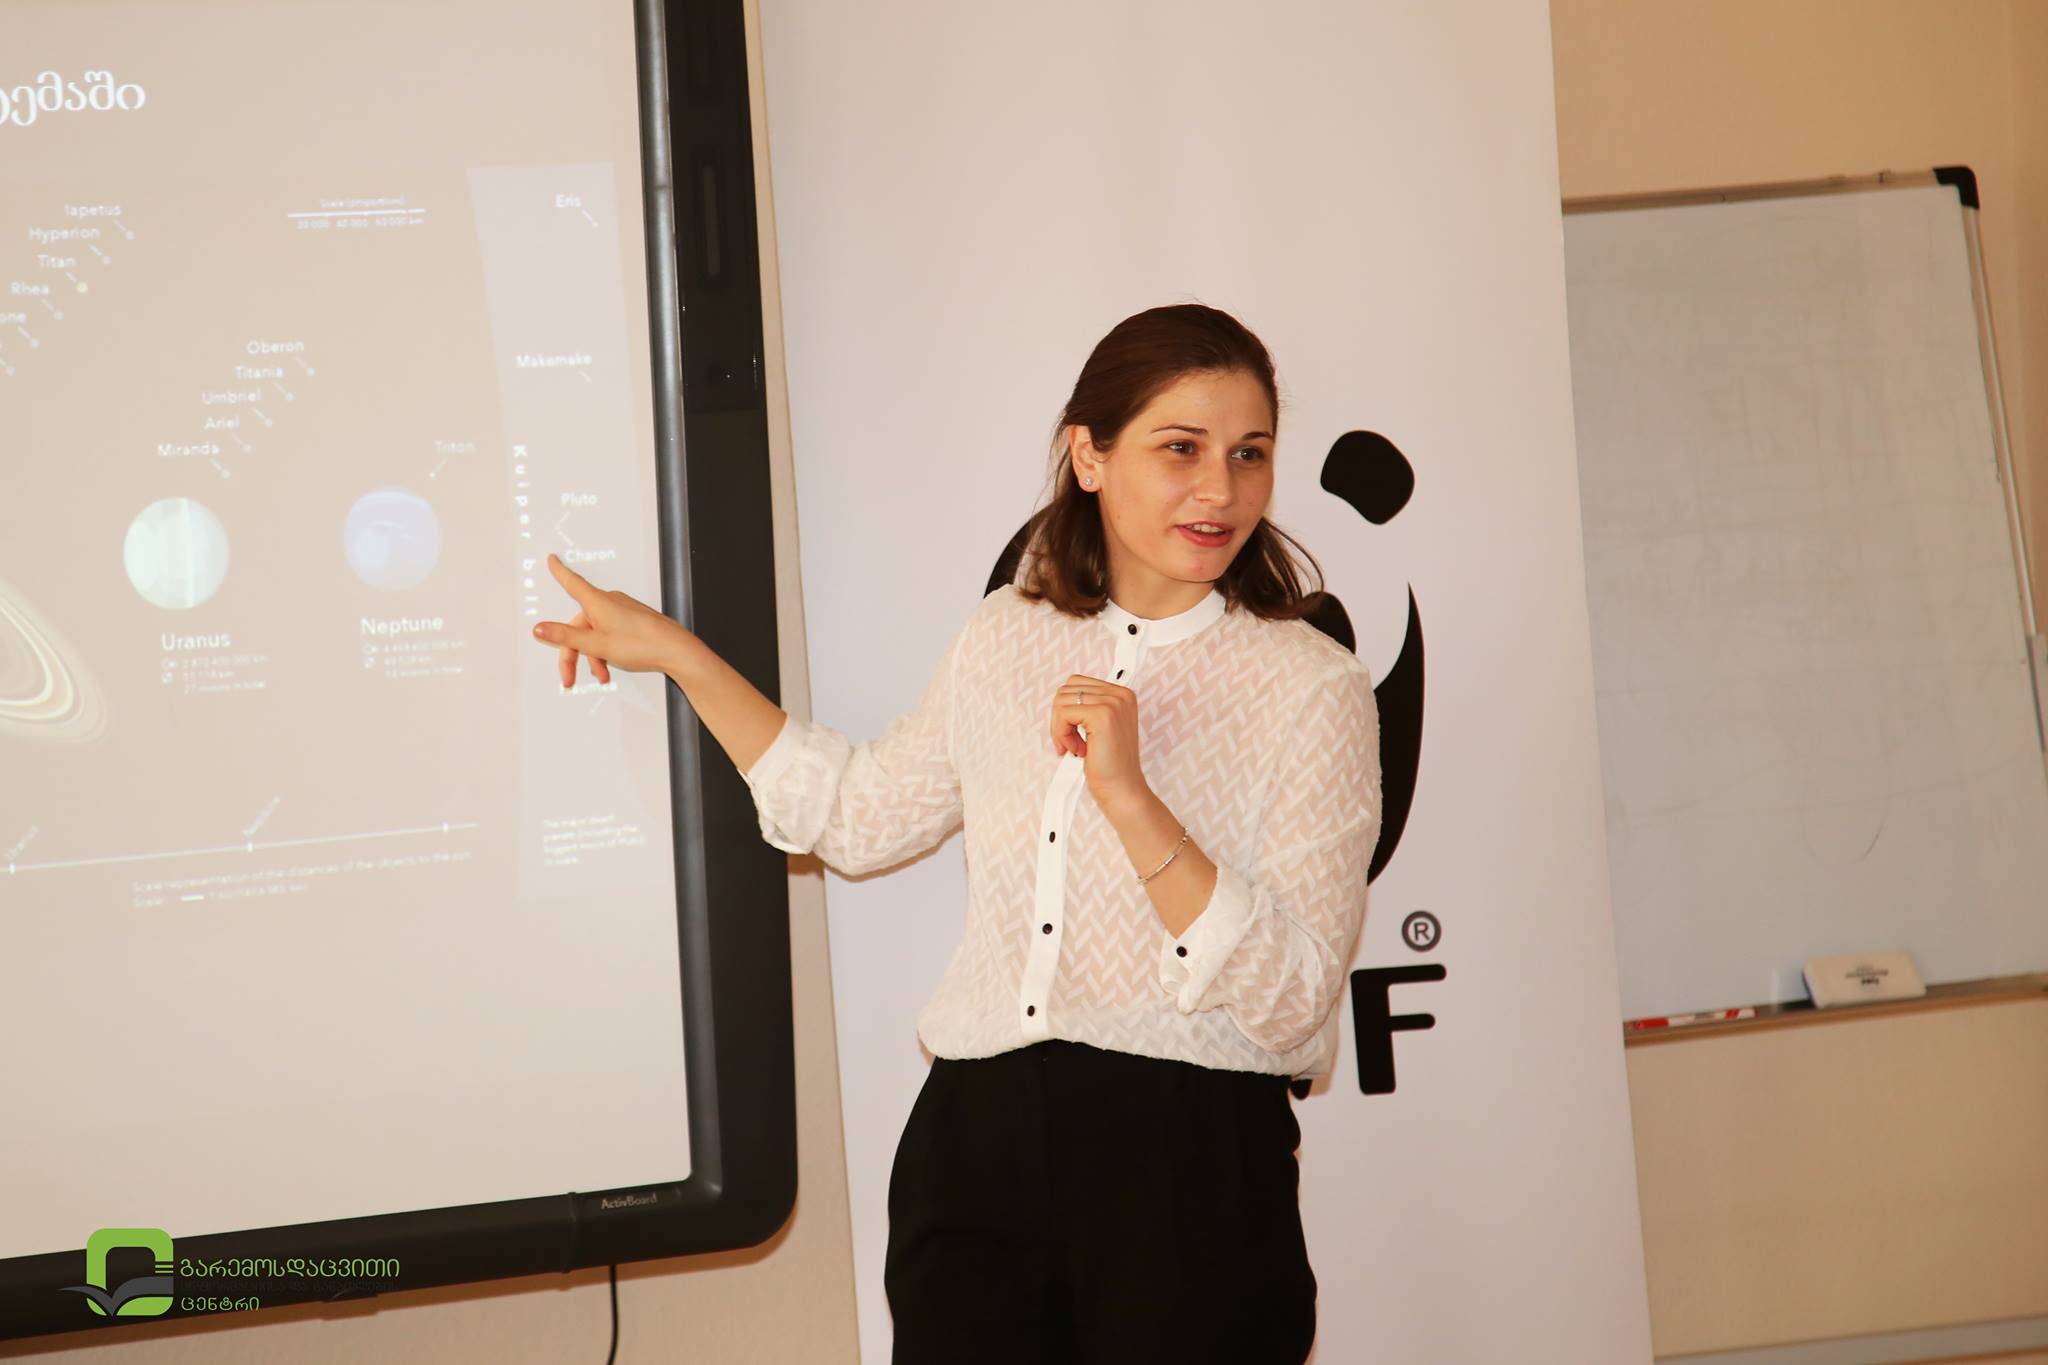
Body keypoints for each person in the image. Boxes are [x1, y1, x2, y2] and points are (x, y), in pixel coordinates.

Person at [530, 303, 1383, 1364]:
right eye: (1181, 448)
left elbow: (1296, 998)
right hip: (974, 1151)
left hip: (1189, 1164)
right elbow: (855, 818)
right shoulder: (1003, 635)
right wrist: (678, 655)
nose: (1220, 489)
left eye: (1248, 454)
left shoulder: (1313, 686)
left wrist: (1132, 799)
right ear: (1088, 454)